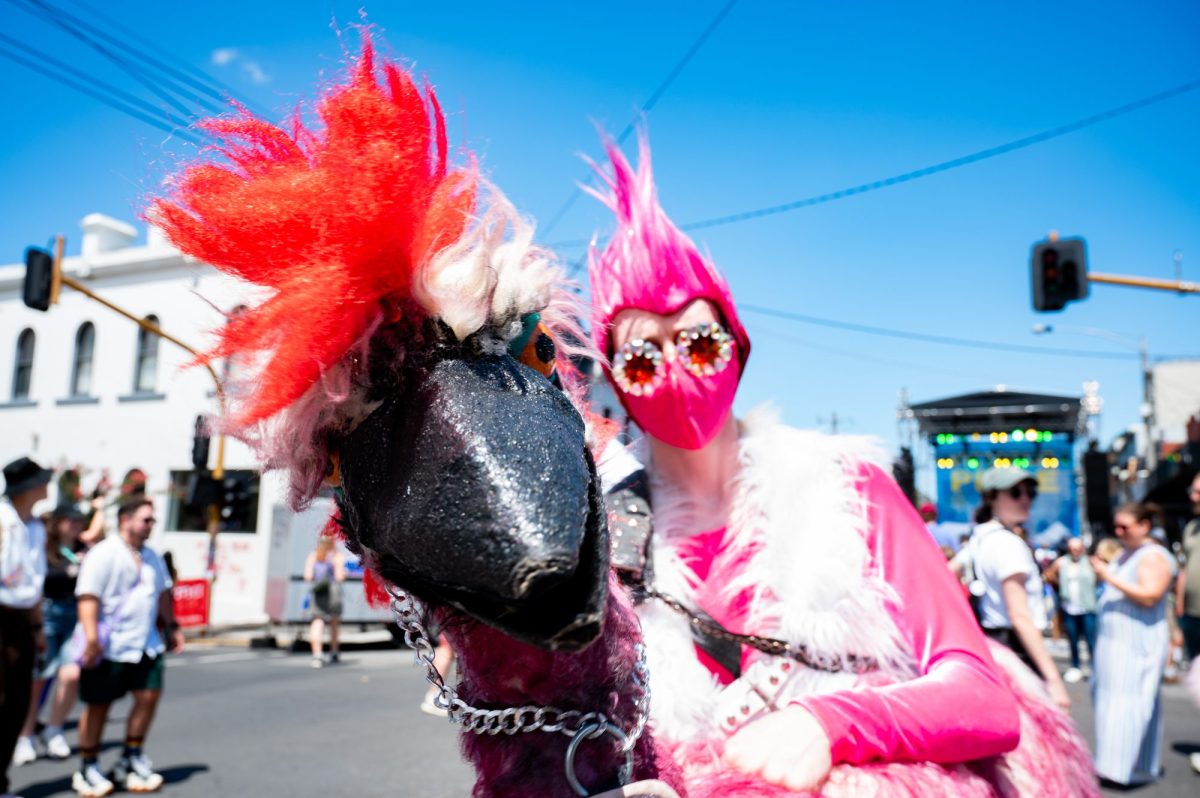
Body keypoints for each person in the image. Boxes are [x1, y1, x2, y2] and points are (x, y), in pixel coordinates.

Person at [587, 132, 1093, 795]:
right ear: (618, 383)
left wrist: (830, 722)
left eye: (699, 343)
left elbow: (982, 694)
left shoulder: (846, 486)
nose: (677, 370)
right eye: (643, 358)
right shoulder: (605, 542)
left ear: (736, 347)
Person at [72, 497, 183, 797]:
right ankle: (87, 765)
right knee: (98, 706)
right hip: (110, 645)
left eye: (152, 521)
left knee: (149, 696)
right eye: (145, 520)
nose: (151, 525)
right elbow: (88, 597)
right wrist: (92, 639)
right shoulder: (103, 554)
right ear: (125, 520)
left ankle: (131, 757)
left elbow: (162, 594)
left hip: (146, 643)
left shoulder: (153, 557)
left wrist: (172, 627)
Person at [967, 467, 1071, 707]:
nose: (1025, 499)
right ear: (992, 497)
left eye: (1030, 492)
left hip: (993, 651)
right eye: (1015, 492)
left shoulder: (980, 537)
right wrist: (1053, 679)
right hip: (1017, 653)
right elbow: (1019, 616)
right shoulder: (1007, 544)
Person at [1090, 502, 1176, 787]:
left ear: (1144, 526)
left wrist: (1107, 576)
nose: (1119, 532)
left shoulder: (1152, 556)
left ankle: (1123, 768)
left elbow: (1150, 595)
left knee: (1130, 703)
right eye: (1117, 526)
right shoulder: (1128, 553)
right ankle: (1115, 765)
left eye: (1125, 527)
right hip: (1115, 641)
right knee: (1112, 702)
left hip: (1136, 641)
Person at [14, 503, 88, 765]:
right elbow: (39, 579)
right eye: (70, 520)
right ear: (58, 523)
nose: (76, 525)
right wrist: (71, 570)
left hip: (75, 615)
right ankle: (24, 736)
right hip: (48, 613)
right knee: (38, 680)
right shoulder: (46, 547)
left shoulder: (84, 548)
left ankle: (54, 729)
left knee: (72, 673)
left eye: (79, 520)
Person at [1, 457, 49, 798]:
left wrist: (37, 628)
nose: (47, 486)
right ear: (28, 488)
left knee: (16, 704)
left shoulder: (36, 527)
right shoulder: (2, 521)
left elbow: (33, 585)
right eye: (42, 480)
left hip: (20, 620)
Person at [1044, 537, 1098, 683]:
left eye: (1078, 549)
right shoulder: (1062, 562)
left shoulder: (1090, 562)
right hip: (1069, 606)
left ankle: (1095, 668)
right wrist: (1059, 586)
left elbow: (1101, 577)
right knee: (1072, 639)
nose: (1075, 551)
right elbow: (1048, 574)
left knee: (1091, 640)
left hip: (1088, 606)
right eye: (1072, 549)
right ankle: (1075, 667)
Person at [304, 534, 345, 668]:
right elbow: (339, 577)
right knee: (334, 622)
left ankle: (317, 655)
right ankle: (334, 652)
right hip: (333, 591)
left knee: (317, 621)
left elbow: (308, 576)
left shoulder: (314, 555)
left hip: (319, 591)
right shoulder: (336, 556)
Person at [1178, 472, 1200, 662]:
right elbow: (1184, 568)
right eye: (1192, 491)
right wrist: (1180, 606)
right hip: (1192, 614)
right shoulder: (1191, 527)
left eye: (1198, 492)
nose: (1193, 497)